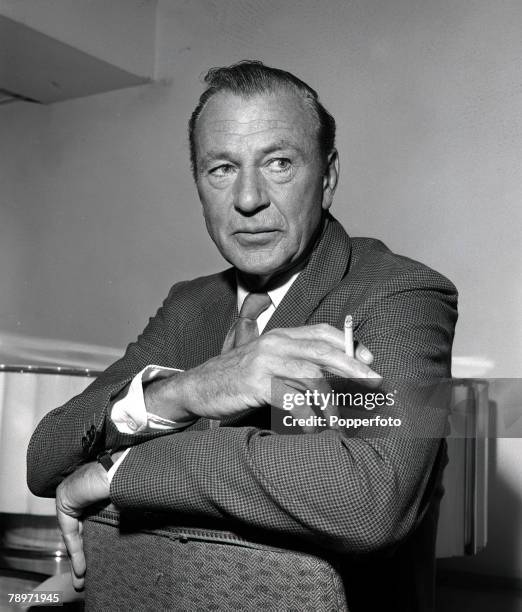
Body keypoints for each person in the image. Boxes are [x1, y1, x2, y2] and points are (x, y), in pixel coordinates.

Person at [27, 61, 457, 611]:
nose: (248, 198)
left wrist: (123, 471)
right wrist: (181, 394)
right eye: (222, 168)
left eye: (278, 163)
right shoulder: (192, 303)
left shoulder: (398, 296)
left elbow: (372, 498)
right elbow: (45, 458)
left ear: (326, 178)